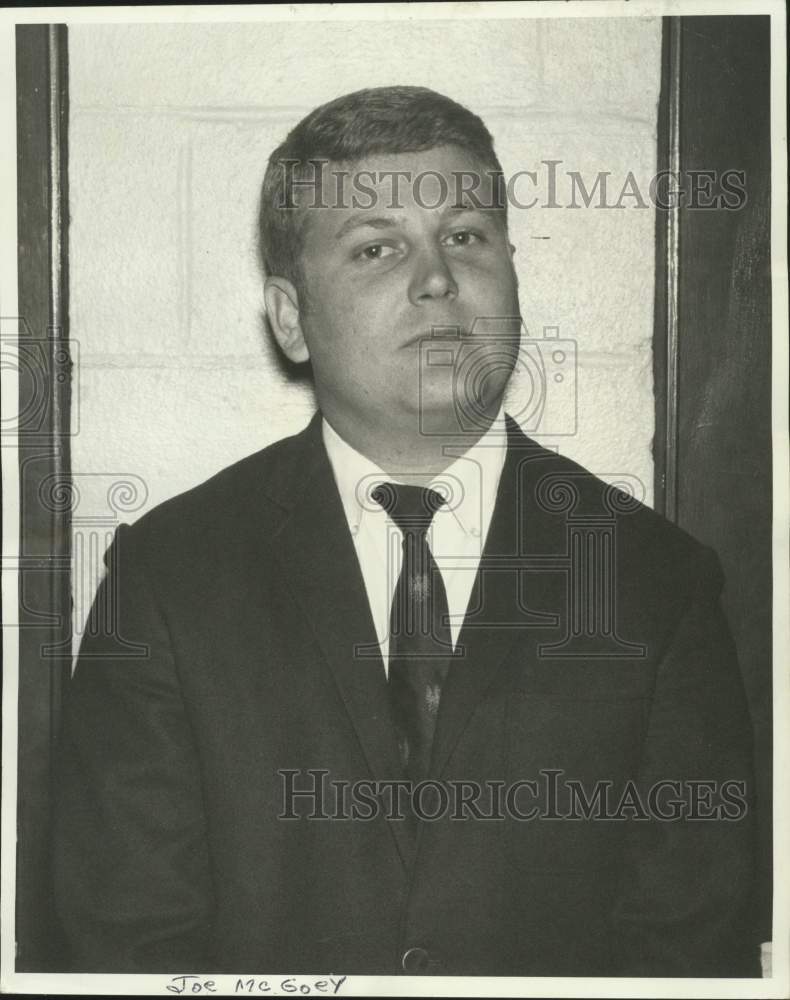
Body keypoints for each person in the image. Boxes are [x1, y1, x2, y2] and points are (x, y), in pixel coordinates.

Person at [52, 86, 760, 977]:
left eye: (464, 236)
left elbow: (689, 955)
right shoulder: (171, 576)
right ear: (289, 317)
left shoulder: (658, 582)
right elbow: (125, 946)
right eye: (377, 248)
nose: (436, 278)